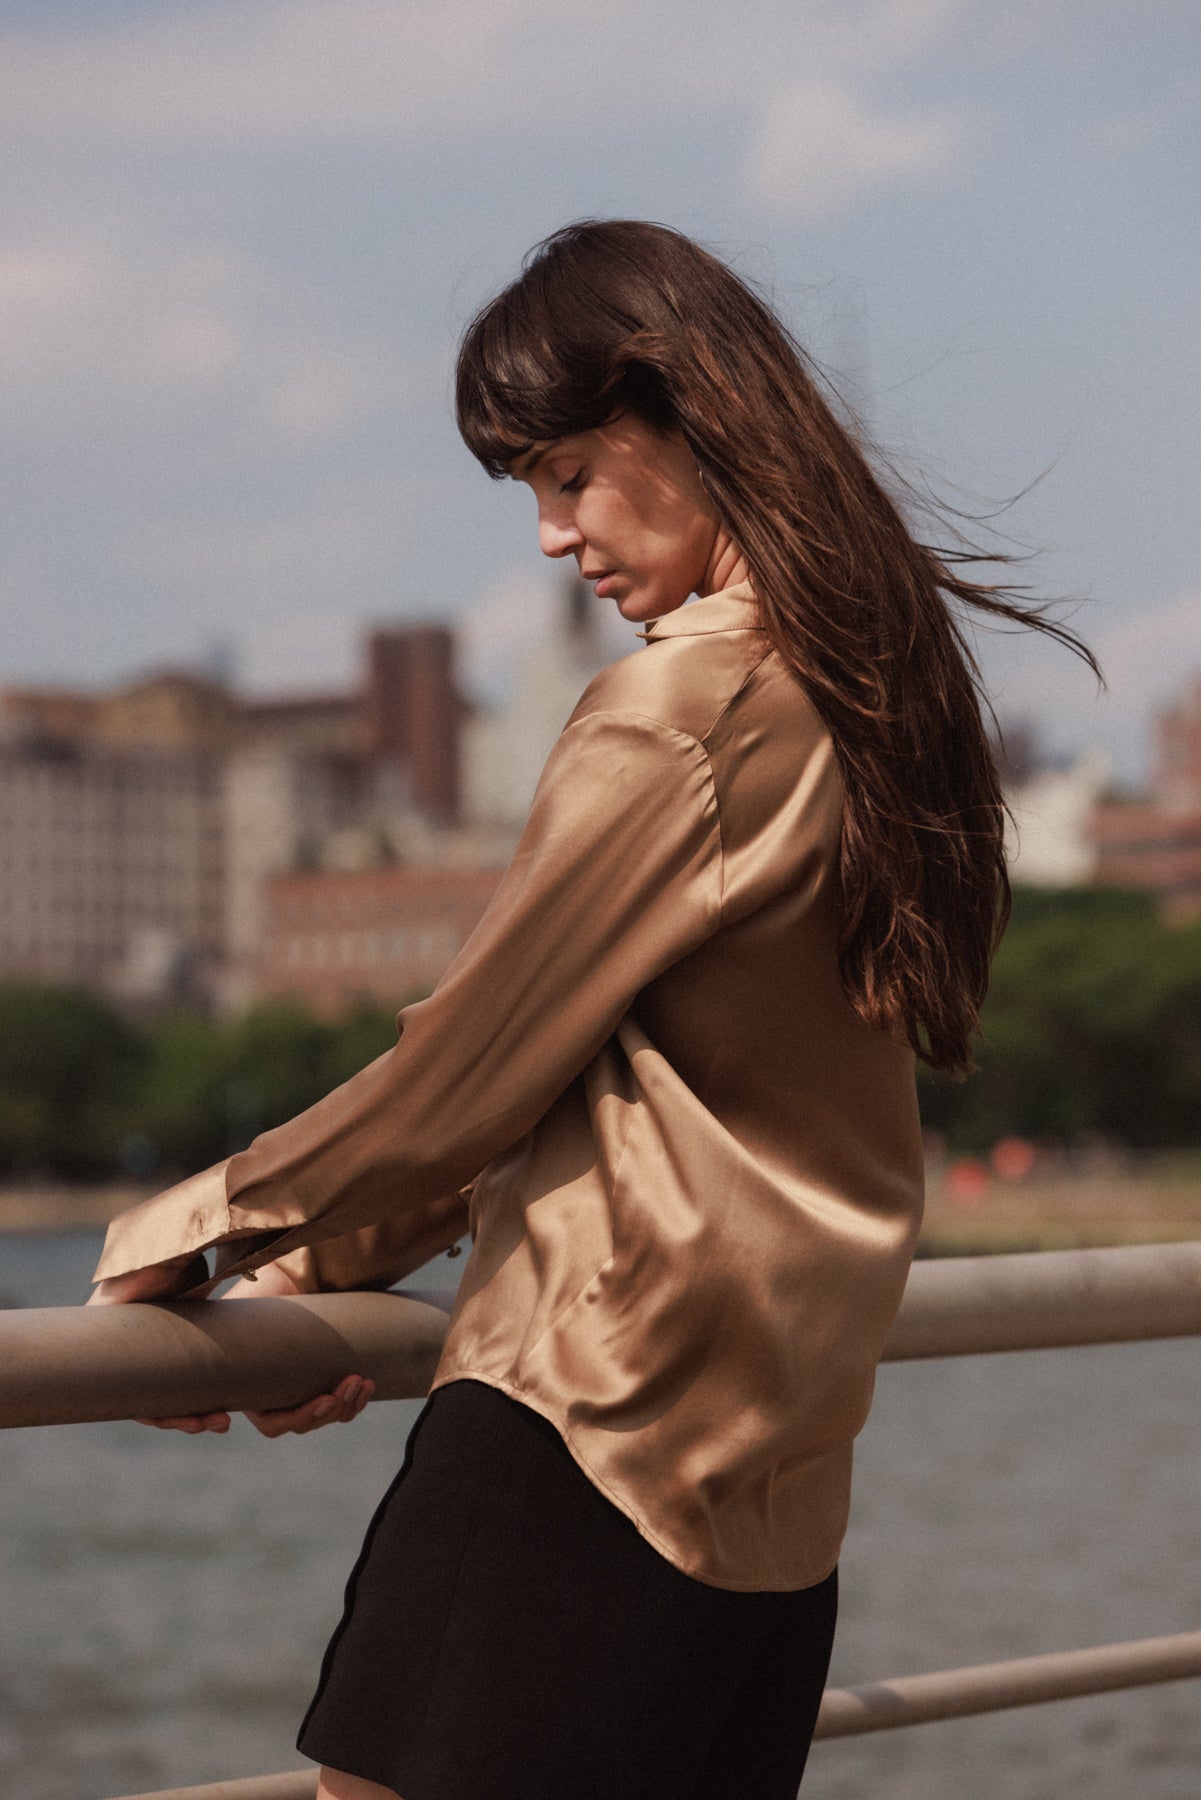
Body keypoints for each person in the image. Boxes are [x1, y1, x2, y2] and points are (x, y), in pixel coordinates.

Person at [87, 219, 1097, 1800]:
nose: (555, 537)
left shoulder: (678, 710)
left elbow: (469, 1067)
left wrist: (196, 1231)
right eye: (532, 491)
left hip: (582, 1434)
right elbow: (580, 1067)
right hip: (773, 1497)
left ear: (697, 418)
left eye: (567, 473)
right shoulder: (876, 695)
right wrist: (316, 1268)